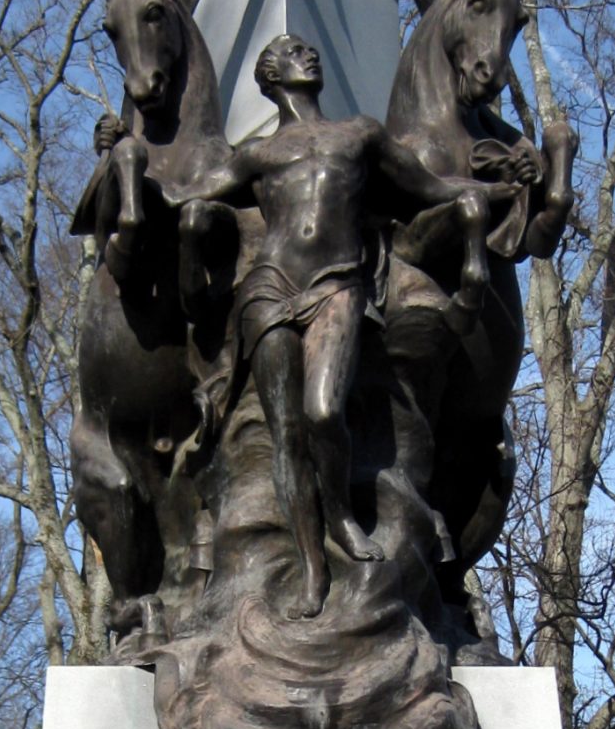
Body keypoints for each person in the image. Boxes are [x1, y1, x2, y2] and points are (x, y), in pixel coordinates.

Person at [163, 34, 497, 618]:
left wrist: (496, 191)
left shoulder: (360, 134)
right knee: (287, 431)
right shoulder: (257, 156)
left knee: (323, 411)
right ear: (271, 77)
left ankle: (339, 516)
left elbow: (432, 190)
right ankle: (312, 567)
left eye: (308, 49)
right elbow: (183, 198)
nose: (308, 53)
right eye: (292, 51)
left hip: (339, 283)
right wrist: (129, 164)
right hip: (269, 288)